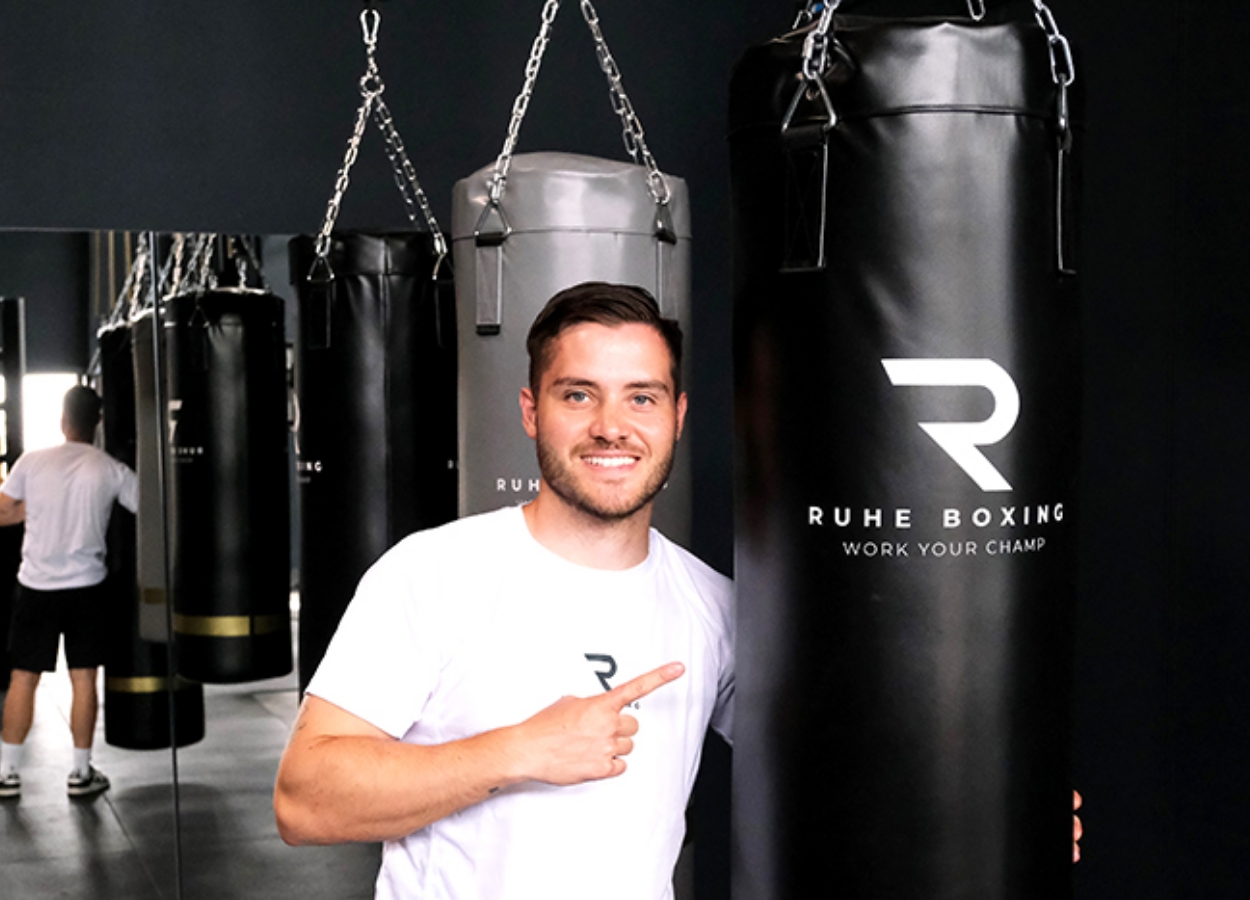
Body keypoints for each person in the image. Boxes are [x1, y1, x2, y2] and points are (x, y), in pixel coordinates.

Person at [274, 282, 1083, 898]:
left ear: (678, 415)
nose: (611, 426)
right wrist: (519, 751)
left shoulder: (710, 607)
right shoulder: (434, 574)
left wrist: (1000, 809)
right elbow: (306, 802)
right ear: (530, 410)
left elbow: (835, 768)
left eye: (642, 397)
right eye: (577, 394)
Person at [0, 384, 137, 799]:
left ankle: (6, 774)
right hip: (86, 589)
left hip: (37, 587)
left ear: (63, 421)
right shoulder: (109, 469)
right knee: (83, 679)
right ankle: (80, 773)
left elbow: (3, 512)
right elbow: (150, 508)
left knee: (23, 678)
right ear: (97, 423)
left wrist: (36, 509)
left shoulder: (31, 463)